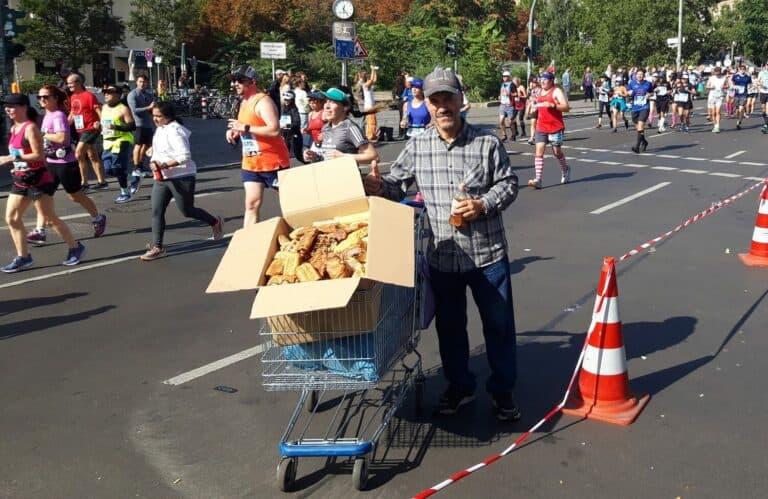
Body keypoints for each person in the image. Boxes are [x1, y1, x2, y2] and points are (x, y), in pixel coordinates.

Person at [362, 67, 521, 421]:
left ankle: (503, 391)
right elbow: (396, 185)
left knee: (498, 326)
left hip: (487, 256)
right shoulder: (418, 145)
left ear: (461, 100)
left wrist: (483, 204)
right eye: (436, 100)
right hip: (442, 256)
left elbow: (509, 184)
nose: (442, 105)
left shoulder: (487, 142)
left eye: (448, 97)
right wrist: (379, 187)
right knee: (449, 329)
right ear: (428, 105)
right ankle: (460, 386)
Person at [2, 94, 85, 272]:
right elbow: (21, 154)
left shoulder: (30, 128)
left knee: (50, 219)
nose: (8, 109)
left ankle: (75, 247)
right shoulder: (14, 128)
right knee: (12, 218)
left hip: (38, 180)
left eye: (12, 106)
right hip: (21, 179)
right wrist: (15, 164)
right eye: (6, 106)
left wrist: (12, 158)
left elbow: (39, 155)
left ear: (24, 107)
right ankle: (24, 257)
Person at [140, 101, 223, 261]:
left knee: (187, 211)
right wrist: (153, 151)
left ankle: (214, 222)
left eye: (159, 116)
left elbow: (184, 156)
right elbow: (164, 148)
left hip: (182, 177)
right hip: (162, 178)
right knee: (156, 211)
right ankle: (158, 247)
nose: (155, 119)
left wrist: (163, 164)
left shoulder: (175, 131)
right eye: (153, 115)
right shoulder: (161, 128)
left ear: (168, 116)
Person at [27, 85, 106, 244]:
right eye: (39, 97)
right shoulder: (47, 115)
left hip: (65, 164)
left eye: (46, 97)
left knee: (75, 196)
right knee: (43, 196)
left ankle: (98, 218)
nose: (42, 99)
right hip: (50, 162)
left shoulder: (58, 116)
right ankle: (40, 231)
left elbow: (62, 138)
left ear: (55, 98)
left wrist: (43, 134)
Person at [225, 65, 290, 226]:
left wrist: (245, 128)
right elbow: (247, 126)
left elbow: (274, 130)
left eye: (239, 80)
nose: (235, 84)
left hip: (272, 162)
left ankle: (299, 233)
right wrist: (235, 131)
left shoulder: (263, 101)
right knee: (251, 204)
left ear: (252, 81)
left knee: (289, 203)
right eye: (233, 80)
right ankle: (249, 239)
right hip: (251, 163)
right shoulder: (243, 101)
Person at [303, 87, 378, 166]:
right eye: (326, 101)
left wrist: (344, 156)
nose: (326, 106)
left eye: (332, 102)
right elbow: (327, 157)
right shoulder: (326, 127)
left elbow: (373, 157)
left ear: (345, 107)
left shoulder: (350, 128)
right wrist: (315, 156)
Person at [528, 71, 571, 189]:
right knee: (539, 151)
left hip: (555, 127)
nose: (542, 81)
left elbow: (566, 107)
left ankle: (565, 169)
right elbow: (536, 104)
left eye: (545, 79)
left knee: (557, 152)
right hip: (541, 126)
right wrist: (533, 108)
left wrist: (553, 105)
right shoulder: (539, 91)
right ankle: (538, 180)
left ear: (551, 80)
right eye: (541, 79)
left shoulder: (556, 91)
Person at [66, 72, 107, 190]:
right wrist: (64, 126)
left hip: (91, 128)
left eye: (71, 83)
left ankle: (84, 183)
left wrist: (101, 124)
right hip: (81, 129)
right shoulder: (73, 97)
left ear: (79, 83)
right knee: (92, 155)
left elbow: (98, 110)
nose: (69, 86)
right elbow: (73, 113)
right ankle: (102, 181)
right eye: (68, 84)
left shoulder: (89, 96)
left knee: (79, 153)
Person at [100, 85, 137, 203]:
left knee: (117, 167)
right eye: (105, 92)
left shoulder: (123, 109)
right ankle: (133, 178)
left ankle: (125, 193)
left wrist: (116, 127)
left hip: (121, 140)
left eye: (109, 92)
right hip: (107, 141)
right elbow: (104, 124)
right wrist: (97, 126)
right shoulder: (104, 107)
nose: (106, 94)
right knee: (108, 170)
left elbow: (132, 126)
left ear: (118, 95)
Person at [127, 74, 156, 194]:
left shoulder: (148, 94)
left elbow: (153, 108)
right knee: (138, 145)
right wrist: (148, 107)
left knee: (147, 145)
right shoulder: (133, 94)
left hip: (148, 124)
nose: (142, 84)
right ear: (136, 82)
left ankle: (140, 164)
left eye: (144, 82)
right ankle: (136, 166)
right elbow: (134, 110)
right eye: (140, 81)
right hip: (138, 124)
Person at [626, 69, 653, 153]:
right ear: (636, 75)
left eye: (641, 74)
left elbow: (652, 92)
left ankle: (637, 146)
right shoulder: (632, 83)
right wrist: (629, 93)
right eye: (638, 74)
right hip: (635, 107)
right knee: (638, 128)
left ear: (644, 75)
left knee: (641, 126)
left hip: (645, 107)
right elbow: (627, 92)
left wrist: (649, 94)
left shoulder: (648, 83)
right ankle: (644, 142)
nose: (639, 76)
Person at [279, 91, 303, 163]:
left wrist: (286, 126)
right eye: (285, 99)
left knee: (296, 156)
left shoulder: (294, 109)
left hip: (293, 136)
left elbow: (297, 123)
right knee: (284, 155)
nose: (286, 101)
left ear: (292, 100)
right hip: (284, 135)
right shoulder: (282, 108)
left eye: (288, 100)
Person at [706, 66, 728, 133]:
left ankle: (717, 126)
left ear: (720, 72)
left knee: (718, 112)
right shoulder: (711, 78)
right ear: (714, 72)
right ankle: (715, 125)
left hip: (720, 96)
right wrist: (711, 87)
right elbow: (706, 86)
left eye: (718, 72)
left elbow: (727, 86)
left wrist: (724, 86)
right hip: (712, 96)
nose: (717, 73)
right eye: (716, 72)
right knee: (713, 113)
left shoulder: (724, 78)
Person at [497, 70, 517, 141]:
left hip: (510, 105)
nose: (504, 77)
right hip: (502, 105)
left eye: (505, 76)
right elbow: (501, 92)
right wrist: (500, 97)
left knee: (510, 122)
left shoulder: (512, 84)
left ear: (509, 77)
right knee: (501, 121)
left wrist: (509, 94)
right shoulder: (502, 84)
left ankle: (513, 134)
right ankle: (504, 135)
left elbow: (516, 94)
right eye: (503, 76)